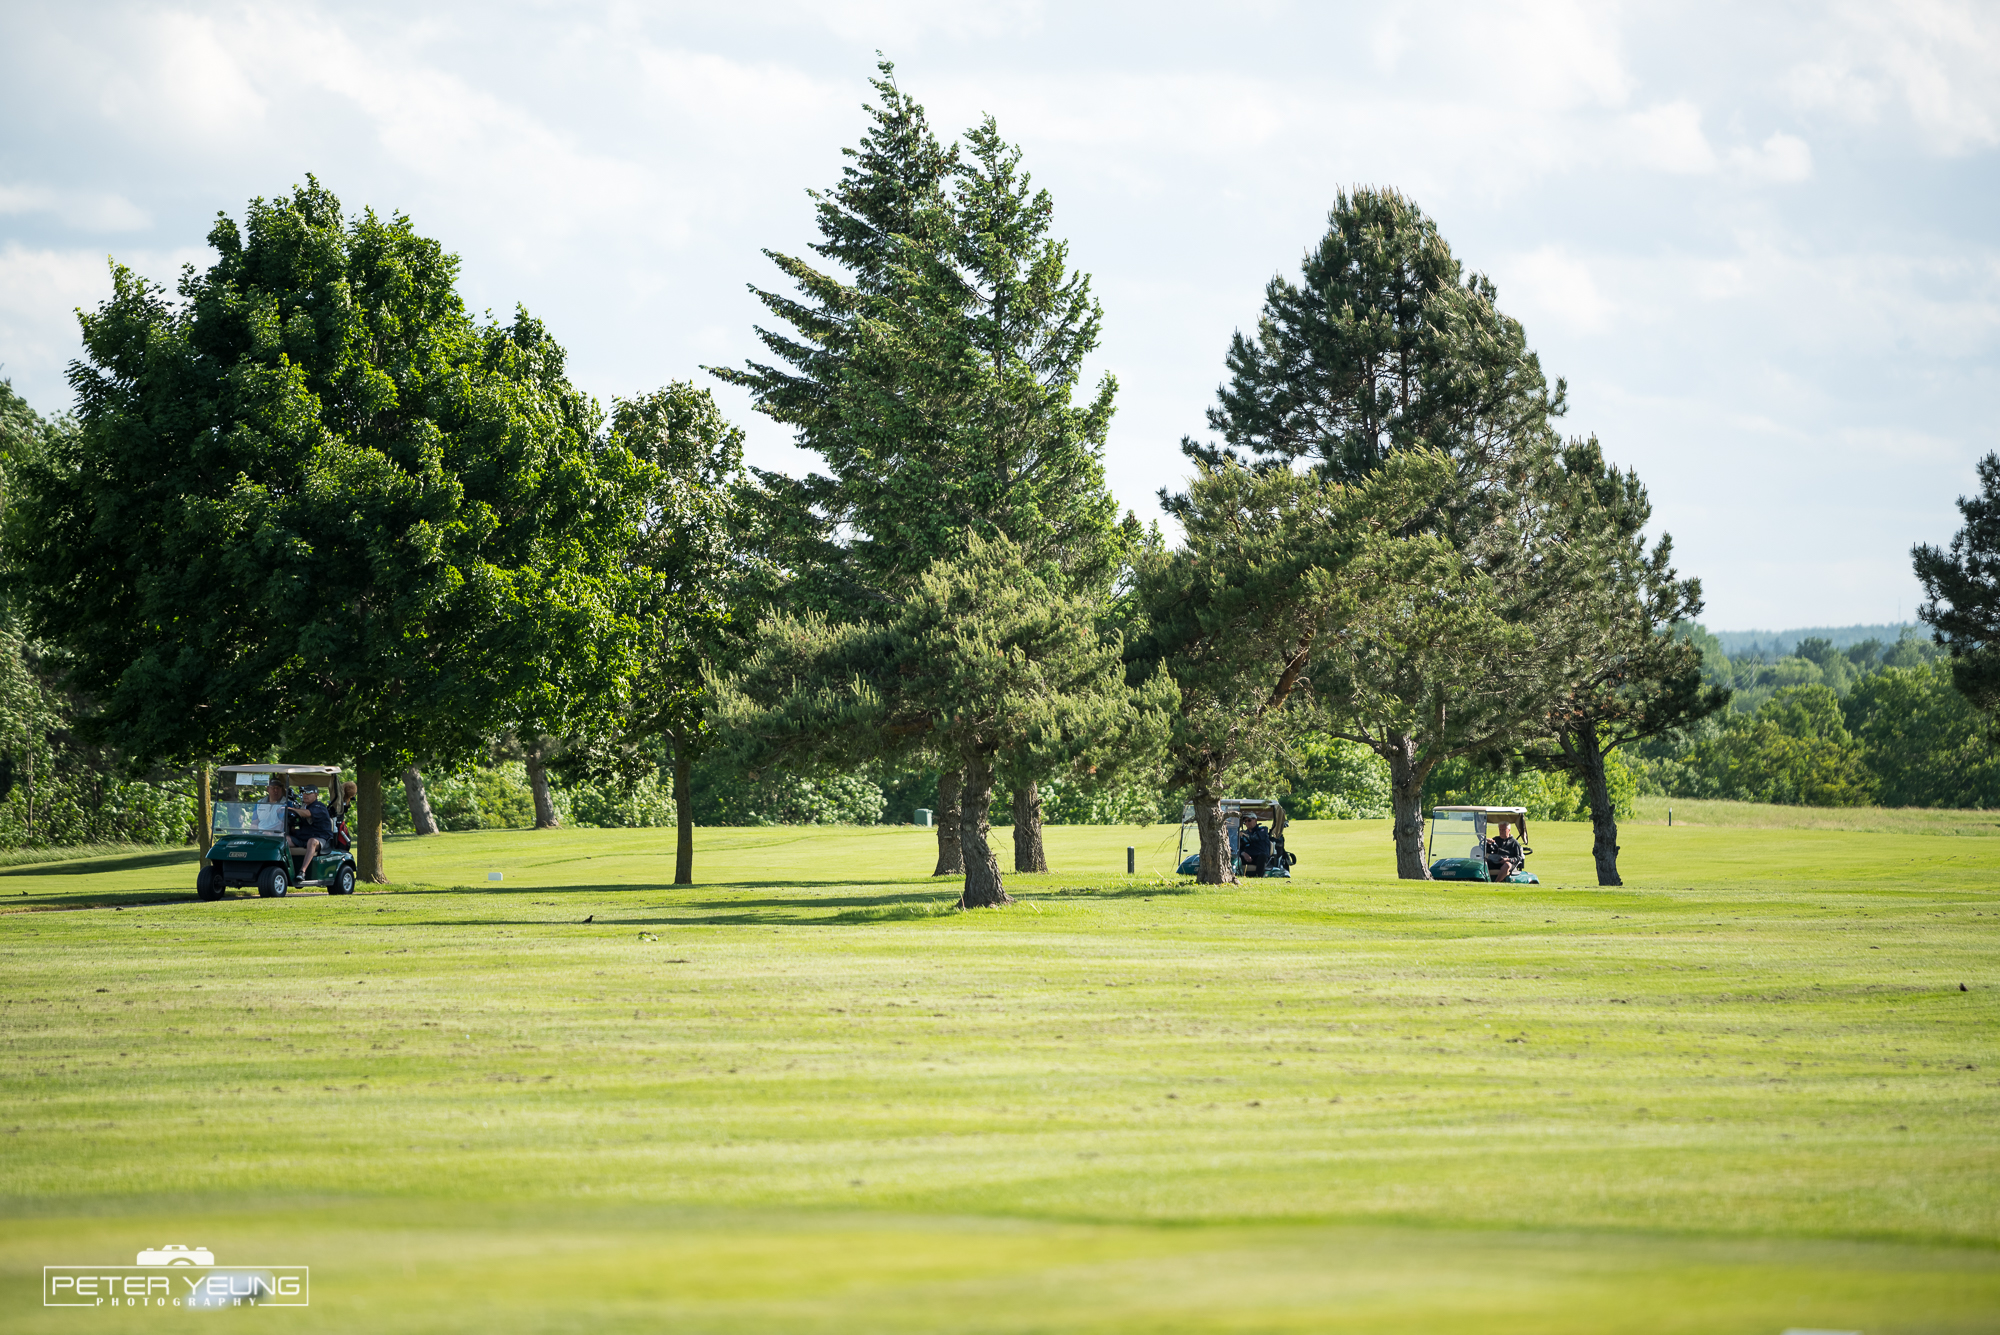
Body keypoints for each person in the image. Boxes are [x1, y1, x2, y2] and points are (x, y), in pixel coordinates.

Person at [289, 785, 336, 878]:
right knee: (283, 839)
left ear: (316, 795)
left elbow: (308, 813)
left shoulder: (319, 806)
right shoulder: (302, 807)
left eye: (308, 793)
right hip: (303, 837)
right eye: (303, 793)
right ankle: (284, 869)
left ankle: (302, 871)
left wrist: (290, 809)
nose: (305, 795)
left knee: (312, 841)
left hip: (321, 838)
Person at [1239, 813, 1273, 877]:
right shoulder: (1243, 833)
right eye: (1245, 821)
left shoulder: (1263, 830)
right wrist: (1243, 853)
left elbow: (1256, 837)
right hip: (1247, 857)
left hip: (1259, 856)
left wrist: (1244, 835)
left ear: (1255, 820)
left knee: (1262, 856)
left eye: (1249, 820)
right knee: (1235, 856)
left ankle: (1258, 876)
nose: (1247, 823)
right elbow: (1237, 847)